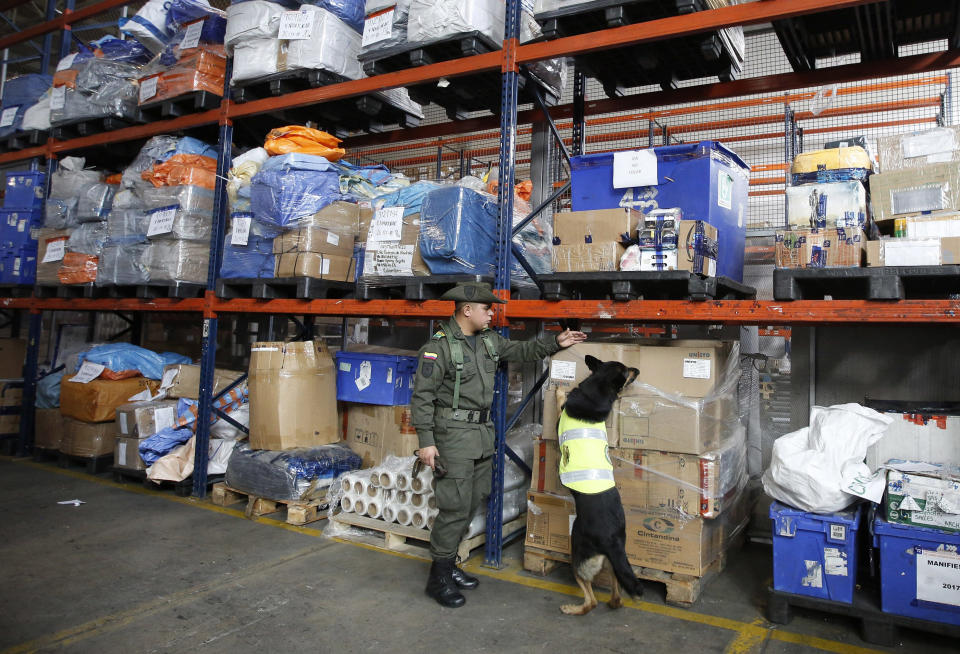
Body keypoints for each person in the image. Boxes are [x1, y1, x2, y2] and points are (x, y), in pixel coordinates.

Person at [411, 281, 587, 608]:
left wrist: (556, 342)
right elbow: (421, 398)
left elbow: (521, 351)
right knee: (453, 508)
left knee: (473, 500)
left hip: (481, 436)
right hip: (453, 438)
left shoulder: (488, 341)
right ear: (467, 310)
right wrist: (426, 442)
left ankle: (450, 566)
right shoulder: (438, 348)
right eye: (486, 309)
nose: (492, 313)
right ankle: (439, 577)